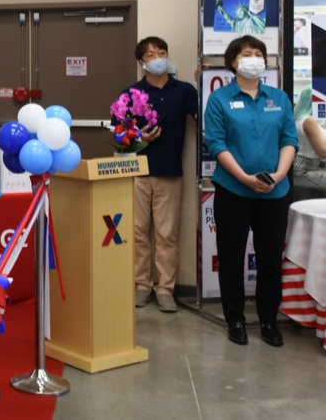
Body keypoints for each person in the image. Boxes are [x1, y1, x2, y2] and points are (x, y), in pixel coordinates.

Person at [204, 35, 297, 347]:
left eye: (259, 53)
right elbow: (217, 143)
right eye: (247, 54)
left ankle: (269, 320)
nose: (254, 58)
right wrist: (245, 177)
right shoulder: (218, 100)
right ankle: (235, 320)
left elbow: (289, 139)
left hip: (275, 191)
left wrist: (278, 174)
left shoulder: (279, 98)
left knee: (270, 258)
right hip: (234, 190)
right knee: (231, 257)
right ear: (234, 62)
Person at [114, 37, 198, 313]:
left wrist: (205, 80)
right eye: (151, 54)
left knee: (167, 234)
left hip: (170, 171)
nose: (157, 57)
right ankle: (142, 285)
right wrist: (141, 137)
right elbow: (118, 135)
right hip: (137, 172)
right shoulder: (130, 93)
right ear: (142, 62)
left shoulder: (184, 91)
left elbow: (204, 121)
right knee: (138, 232)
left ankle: (165, 289)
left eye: (161, 52)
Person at [291, 85, 326, 202]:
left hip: (304, 167)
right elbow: (322, 151)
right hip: (304, 170)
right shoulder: (309, 122)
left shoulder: (300, 119)